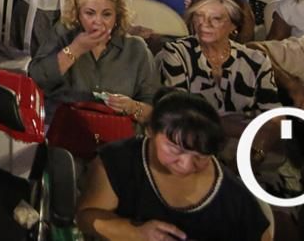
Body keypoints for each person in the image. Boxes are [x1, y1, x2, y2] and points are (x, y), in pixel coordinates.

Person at [76, 90, 271, 241]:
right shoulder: (118, 161)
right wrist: (134, 233)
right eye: (175, 150)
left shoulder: (232, 196)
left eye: (200, 157)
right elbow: (86, 218)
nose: (186, 165)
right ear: (150, 131)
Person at [28, 0, 160, 124]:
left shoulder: (136, 49)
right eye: (89, 13)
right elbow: (36, 80)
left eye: (106, 14)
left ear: (117, 16)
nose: (98, 21)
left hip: (116, 133)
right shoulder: (62, 35)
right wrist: (75, 49)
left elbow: (155, 110)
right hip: (65, 129)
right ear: (78, 15)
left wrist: (132, 107)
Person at [157, 0, 280, 115]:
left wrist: (282, 132)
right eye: (199, 16)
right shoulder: (176, 53)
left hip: (251, 128)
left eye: (216, 18)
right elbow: (176, 112)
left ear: (234, 24)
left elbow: (275, 116)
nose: (205, 24)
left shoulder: (257, 60)